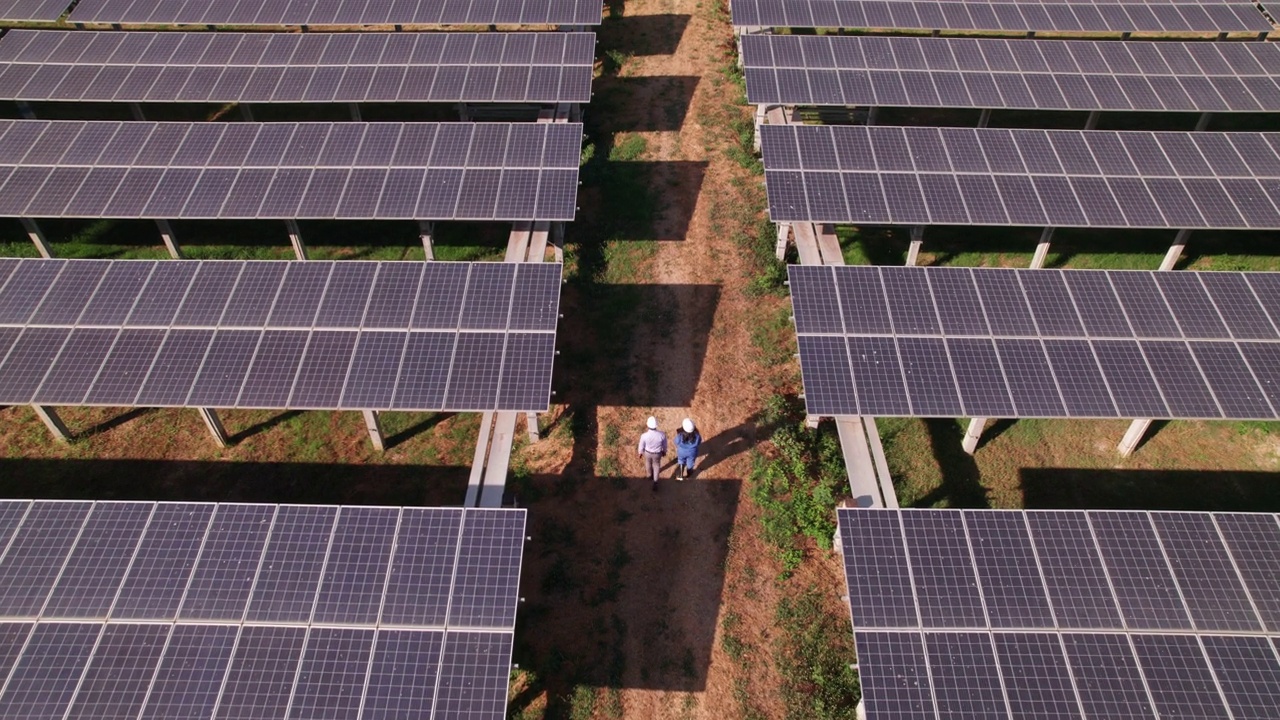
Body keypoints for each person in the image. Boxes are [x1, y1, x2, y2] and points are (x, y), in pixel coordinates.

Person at [636, 416, 667, 491]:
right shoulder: (662, 435)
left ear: (647, 425)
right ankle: (655, 481)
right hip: (657, 453)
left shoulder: (644, 436)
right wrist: (664, 451)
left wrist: (640, 452)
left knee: (648, 463)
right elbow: (664, 445)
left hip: (647, 453)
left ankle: (649, 475)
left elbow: (641, 445)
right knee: (656, 466)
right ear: (656, 425)